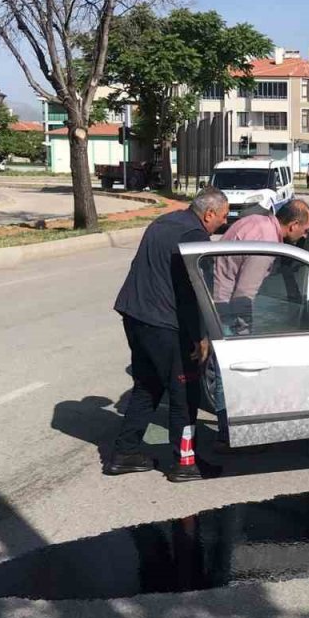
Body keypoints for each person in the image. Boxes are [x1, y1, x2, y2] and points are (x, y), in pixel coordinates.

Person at [106, 187, 230, 483]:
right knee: (185, 392)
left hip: (135, 315)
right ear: (209, 214)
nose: (223, 224)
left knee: (147, 385)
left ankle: (126, 452)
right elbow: (192, 293)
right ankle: (185, 462)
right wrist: (200, 337)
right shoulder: (194, 237)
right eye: (222, 217)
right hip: (164, 324)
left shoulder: (165, 222)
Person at [211, 198, 309, 331]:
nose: (305, 236)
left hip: (214, 298)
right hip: (224, 312)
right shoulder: (266, 243)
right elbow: (244, 296)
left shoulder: (257, 220)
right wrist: (244, 331)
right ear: (293, 225)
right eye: (305, 230)